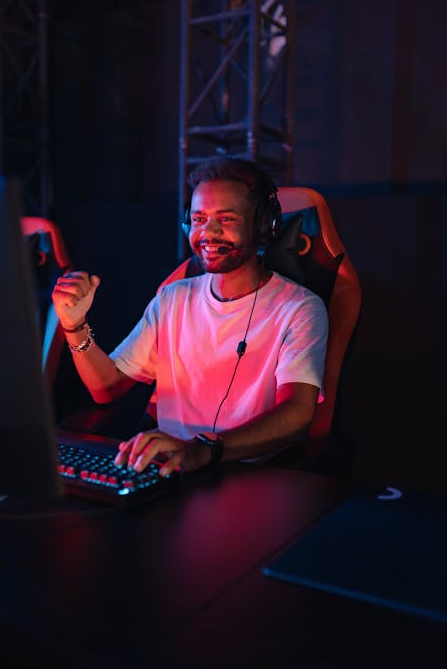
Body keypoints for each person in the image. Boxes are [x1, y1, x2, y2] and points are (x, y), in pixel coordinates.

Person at [51, 156, 328, 477]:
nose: (208, 232)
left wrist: (203, 450)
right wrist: (74, 326)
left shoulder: (300, 309)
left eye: (225, 219)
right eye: (198, 219)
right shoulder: (173, 298)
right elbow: (107, 387)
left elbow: (297, 413)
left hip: (248, 475)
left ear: (262, 224)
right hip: (170, 470)